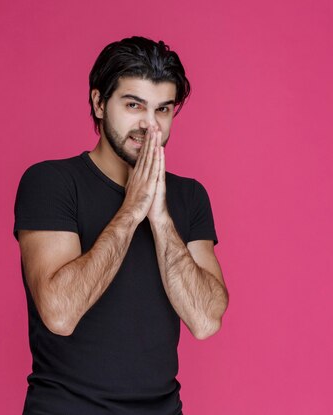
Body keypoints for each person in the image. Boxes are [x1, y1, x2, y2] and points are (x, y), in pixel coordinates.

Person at [13, 36, 229, 415]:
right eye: (134, 105)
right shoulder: (51, 182)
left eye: (163, 109)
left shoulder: (189, 196)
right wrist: (131, 212)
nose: (149, 124)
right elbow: (60, 314)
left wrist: (160, 217)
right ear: (99, 103)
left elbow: (206, 320)